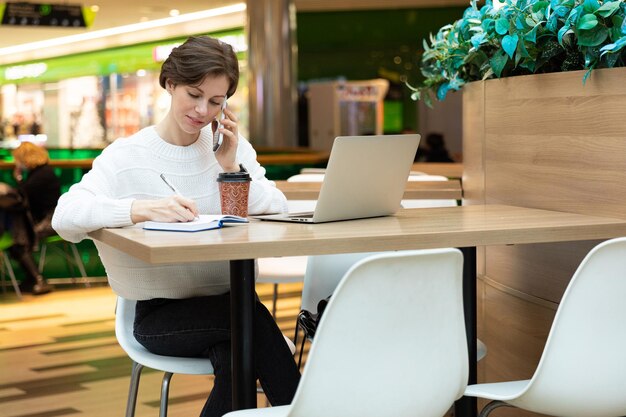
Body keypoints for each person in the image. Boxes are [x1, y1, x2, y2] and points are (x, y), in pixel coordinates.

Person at [51, 36, 300, 417]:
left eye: (216, 101)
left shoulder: (231, 147)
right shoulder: (127, 155)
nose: (203, 110)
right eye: (194, 94)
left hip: (230, 304)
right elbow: (65, 217)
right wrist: (139, 210)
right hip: (160, 315)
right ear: (170, 84)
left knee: (240, 357)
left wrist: (231, 168)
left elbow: (276, 209)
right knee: (251, 324)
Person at [0, 141, 58, 295]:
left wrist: (18, 178)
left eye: (18, 160)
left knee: (19, 239)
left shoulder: (41, 175)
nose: (17, 163)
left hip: (50, 221)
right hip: (46, 218)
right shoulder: (41, 172)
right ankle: (33, 279)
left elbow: (21, 197)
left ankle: (37, 279)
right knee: (17, 236)